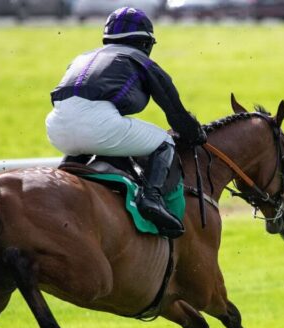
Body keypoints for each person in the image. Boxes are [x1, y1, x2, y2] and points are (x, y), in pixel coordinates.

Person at [45, 7, 207, 239]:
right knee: (163, 141)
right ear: (145, 43)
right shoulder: (141, 60)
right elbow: (177, 115)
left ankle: (61, 178)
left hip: (56, 128)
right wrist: (195, 135)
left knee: (89, 141)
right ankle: (151, 199)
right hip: (97, 125)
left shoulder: (82, 58)